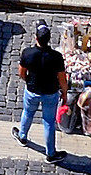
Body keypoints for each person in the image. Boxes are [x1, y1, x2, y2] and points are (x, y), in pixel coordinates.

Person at [14, 21, 68, 160]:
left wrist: (28, 81)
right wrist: (65, 93)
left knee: (27, 112)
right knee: (49, 122)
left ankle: (22, 136)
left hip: (32, 91)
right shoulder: (56, 57)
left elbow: (21, 73)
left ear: (36, 38)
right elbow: (62, 79)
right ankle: (51, 153)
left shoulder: (27, 53)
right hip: (50, 93)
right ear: (49, 39)